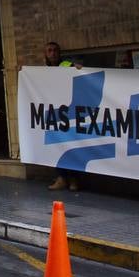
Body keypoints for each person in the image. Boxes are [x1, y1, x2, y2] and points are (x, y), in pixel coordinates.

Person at [43, 40, 83, 191]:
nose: (52, 53)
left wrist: (78, 68)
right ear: (46, 54)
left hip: (69, 112)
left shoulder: (66, 65)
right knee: (57, 147)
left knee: (71, 146)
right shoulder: (43, 70)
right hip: (54, 114)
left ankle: (73, 179)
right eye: (49, 51)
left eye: (55, 50)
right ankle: (61, 178)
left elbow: (78, 71)